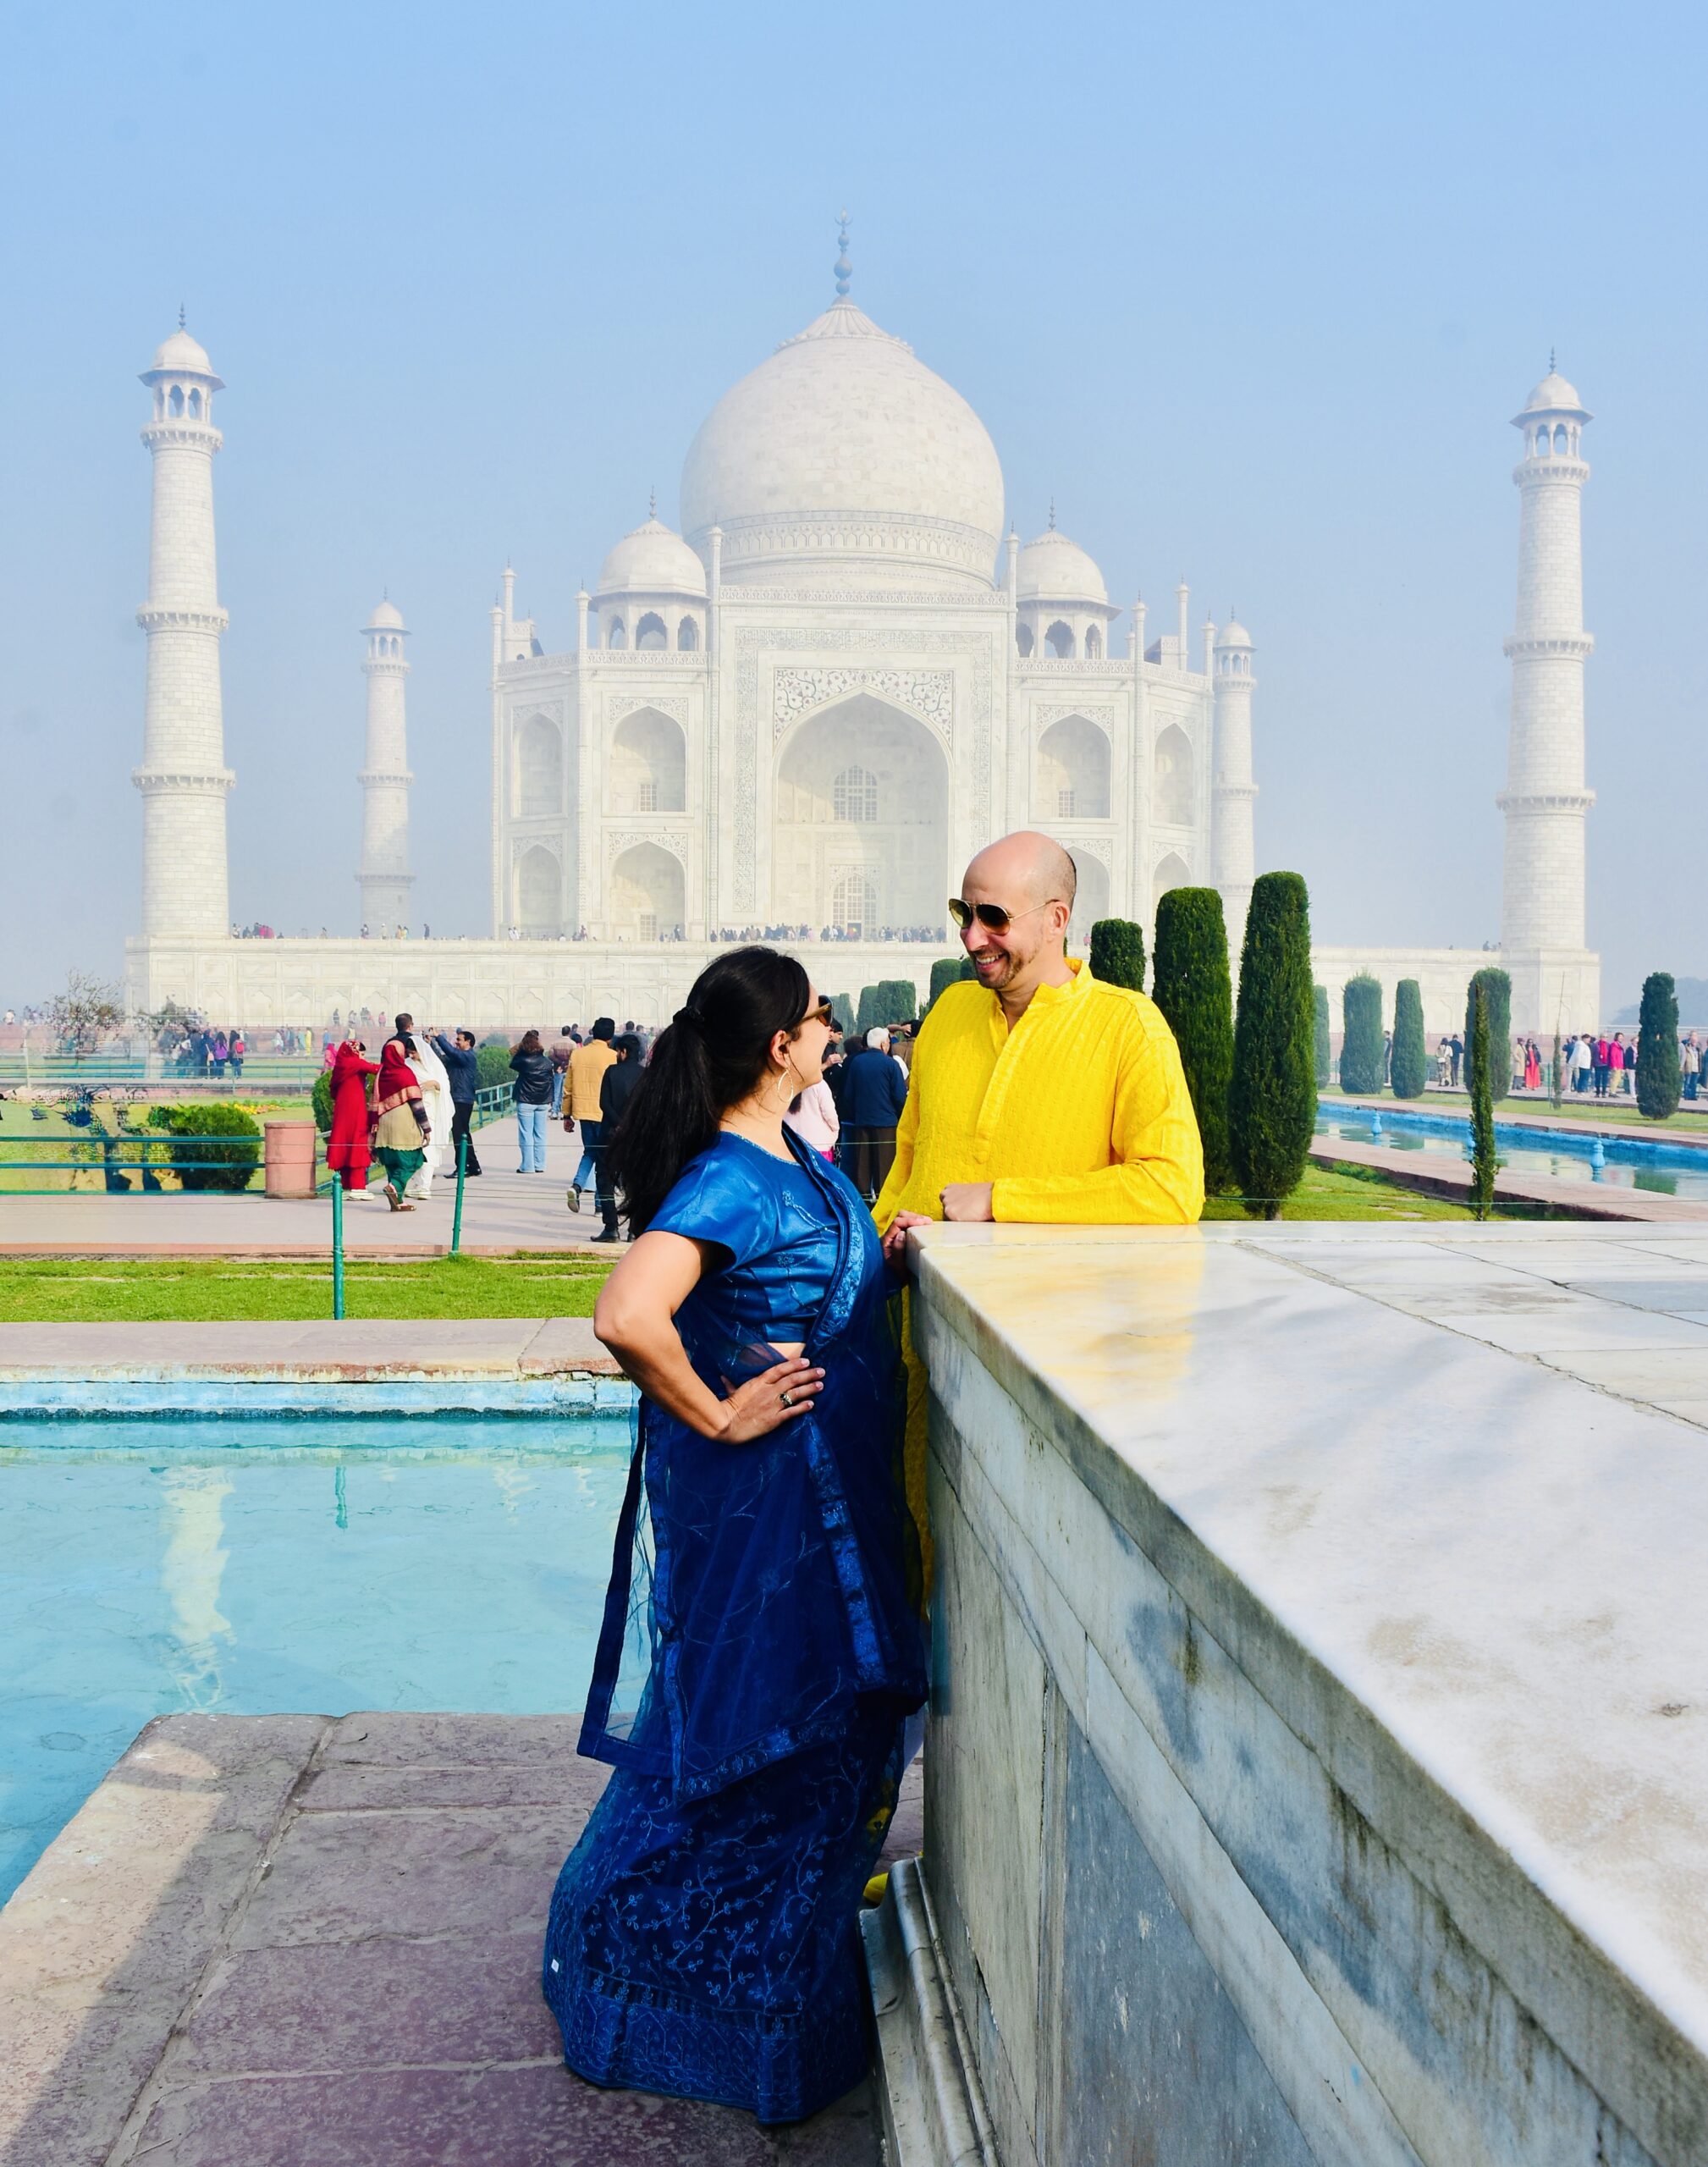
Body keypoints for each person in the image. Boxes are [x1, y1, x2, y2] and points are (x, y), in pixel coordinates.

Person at [541, 947, 926, 2123]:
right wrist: (718, 1410)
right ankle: (660, 1993)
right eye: (818, 1016)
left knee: (826, 1746)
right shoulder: (728, 1178)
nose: (831, 1030)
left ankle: (775, 1993)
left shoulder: (790, 1159)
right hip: (775, 1523)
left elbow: (806, 1284)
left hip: (824, 1511)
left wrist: (886, 1261)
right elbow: (625, 1311)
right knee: (762, 1740)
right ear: (778, 1045)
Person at [836, 1027, 907, 1200]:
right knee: (884, 1168)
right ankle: (884, 1202)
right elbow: (899, 1097)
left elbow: (848, 1095)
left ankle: (864, 1203)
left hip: (862, 1122)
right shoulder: (891, 1064)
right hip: (886, 1124)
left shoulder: (857, 1063)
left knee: (862, 1167)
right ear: (884, 1044)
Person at [372, 1015, 432, 1210]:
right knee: (413, 1160)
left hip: (384, 1122)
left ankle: (397, 1202)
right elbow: (416, 1104)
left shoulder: (382, 1074)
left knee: (392, 1162)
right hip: (402, 1123)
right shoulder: (404, 1073)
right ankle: (394, 1186)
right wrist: (427, 1129)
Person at [589, 1031, 643, 1242]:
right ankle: (634, 1229)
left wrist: (619, 1124)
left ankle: (611, 1228)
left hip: (611, 1134)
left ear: (623, 1052)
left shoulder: (611, 1072)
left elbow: (604, 1104)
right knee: (635, 1182)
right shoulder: (645, 1075)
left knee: (605, 1179)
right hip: (636, 1135)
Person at [566, 1017, 617, 1210]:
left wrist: (566, 1115)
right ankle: (600, 1204)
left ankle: (577, 1186)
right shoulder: (613, 1056)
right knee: (604, 1157)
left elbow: (568, 1087)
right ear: (610, 1037)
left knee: (590, 1152)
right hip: (606, 1113)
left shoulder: (578, 1055)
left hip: (584, 1112)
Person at [405, 1030, 453, 1200]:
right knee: (414, 1148)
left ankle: (425, 1186)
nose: (412, 1056)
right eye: (409, 1053)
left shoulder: (434, 1064)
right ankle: (418, 1184)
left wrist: (435, 1084)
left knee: (429, 1149)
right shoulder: (407, 1065)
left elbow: (445, 1087)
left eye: (414, 1053)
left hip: (432, 1111)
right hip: (412, 1111)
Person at [325, 1039, 378, 1194]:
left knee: (344, 1143)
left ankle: (346, 1186)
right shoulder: (355, 1063)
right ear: (354, 1052)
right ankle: (358, 1187)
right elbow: (376, 1068)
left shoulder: (340, 1065)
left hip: (342, 1109)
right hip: (355, 1108)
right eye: (361, 1054)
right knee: (357, 1142)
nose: (362, 1057)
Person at [430, 1028, 483, 1175]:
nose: (456, 1042)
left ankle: (462, 1167)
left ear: (468, 1042)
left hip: (462, 1099)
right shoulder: (458, 1058)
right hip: (459, 1098)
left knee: (459, 1134)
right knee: (464, 1134)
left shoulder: (468, 1056)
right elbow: (441, 1058)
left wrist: (439, 1037)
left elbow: (451, 1052)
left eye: (459, 1040)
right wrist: (432, 1043)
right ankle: (473, 1166)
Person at [510, 1028, 554, 1172]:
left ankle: (527, 1166)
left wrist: (522, 1046)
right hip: (542, 1102)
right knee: (540, 1134)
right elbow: (551, 1082)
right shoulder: (547, 1062)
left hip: (526, 1100)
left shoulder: (523, 1061)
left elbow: (512, 1057)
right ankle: (540, 1164)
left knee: (526, 1134)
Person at [785, 1069, 840, 1162]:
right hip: (818, 1145)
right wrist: (835, 1130)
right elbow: (830, 1115)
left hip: (792, 1144)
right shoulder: (819, 1084)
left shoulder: (786, 1084)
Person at [549, 1024, 576, 1117]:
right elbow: (574, 1058)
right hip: (568, 1070)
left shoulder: (555, 1043)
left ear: (562, 1032)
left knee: (556, 1091)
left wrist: (560, 1064)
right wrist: (565, 1063)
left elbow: (551, 1056)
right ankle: (563, 1112)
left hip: (557, 1070)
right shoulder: (573, 1044)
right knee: (566, 1092)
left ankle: (554, 1112)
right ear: (569, 1032)